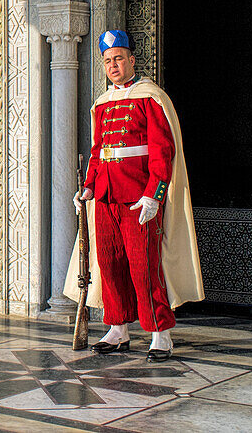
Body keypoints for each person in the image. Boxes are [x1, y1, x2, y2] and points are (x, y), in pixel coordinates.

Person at [66, 29, 204, 362]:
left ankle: (160, 332)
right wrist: (88, 187)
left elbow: (162, 150)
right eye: (107, 61)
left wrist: (155, 195)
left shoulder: (149, 97)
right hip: (107, 197)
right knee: (110, 264)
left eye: (118, 59)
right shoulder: (102, 104)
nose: (113, 65)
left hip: (139, 199)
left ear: (131, 60)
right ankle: (117, 328)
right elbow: (99, 150)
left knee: (144, 267)